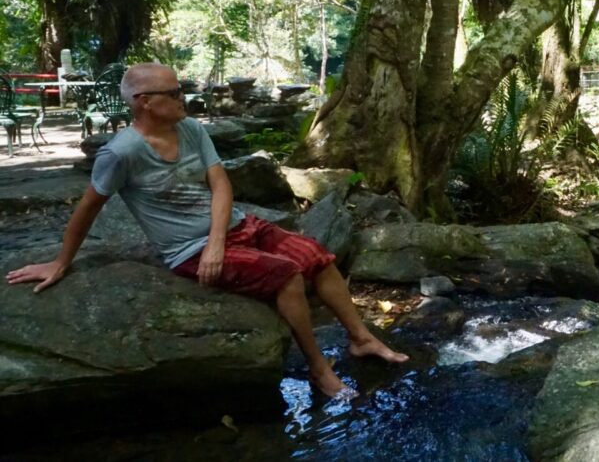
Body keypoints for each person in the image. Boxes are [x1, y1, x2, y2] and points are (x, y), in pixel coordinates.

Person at [5, 63, 406, 400]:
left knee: (317, 256)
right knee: (287, 276)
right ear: (144, 102)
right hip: (189, 249)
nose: (183, 97)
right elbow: (88, 207)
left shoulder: (191, 129)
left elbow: (220, 184)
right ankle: (319, 369)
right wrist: (61, 262)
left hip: (232, 228)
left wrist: (219, 240)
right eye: (174, 92)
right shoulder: (121, 153)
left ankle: (361, 338)